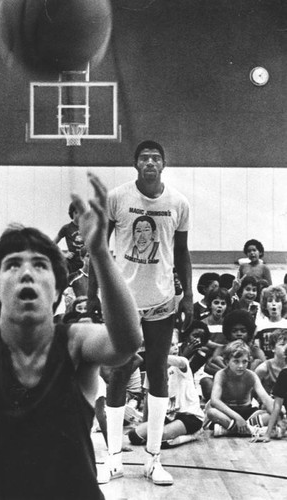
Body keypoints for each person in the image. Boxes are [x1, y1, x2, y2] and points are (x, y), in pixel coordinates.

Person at [0, 173, 142, 500]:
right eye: (13, 265)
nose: (27, 272)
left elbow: (127, 343)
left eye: (40, 265)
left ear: (58, 289)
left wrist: (100, 252)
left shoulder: (75, 343)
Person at [89, 140, 193, 486]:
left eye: (156, 158)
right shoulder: (117, 198)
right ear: (136, 164)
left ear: (164, 164)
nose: (150, 162)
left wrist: (188, 296)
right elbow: (98, 247)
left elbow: (182, 252)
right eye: (144, 158)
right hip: (122, 302)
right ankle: (113, 459)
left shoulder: (178, 203)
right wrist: (93, 290)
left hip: (162, 302)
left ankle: (153, 460)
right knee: (119, 375)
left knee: (159, 373)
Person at [128, 336, 203, 449]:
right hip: (168, 416)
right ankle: (170, 431)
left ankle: (193, 435)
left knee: (159, 439)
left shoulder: (183, 363)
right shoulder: (152, 370)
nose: (175, 348)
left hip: (190, 417)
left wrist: (156, 354)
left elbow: (177, 361)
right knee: (134, 436)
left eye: (176, 344)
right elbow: (147, 398)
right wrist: (145, 423)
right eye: (170, 345)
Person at [205, 340, 274, 437]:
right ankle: (251, 430)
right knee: (212, 412)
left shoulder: (251, 375)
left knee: (273, 413)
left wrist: (277, 413)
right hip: (228, 413)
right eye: (236, 361)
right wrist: (237, 418)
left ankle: (231, 430)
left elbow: (265, 398)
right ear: (227, 361)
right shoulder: (221, 375)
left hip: (247, 411)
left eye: (244, 361)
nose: (241, 366)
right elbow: (214, 401)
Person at [54, 201, 87, 283]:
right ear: (73, 213)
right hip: (71, 263)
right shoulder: (66, 228)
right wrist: (63, 254)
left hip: (84, 263)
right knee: (62, 280)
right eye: (79, 212)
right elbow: (52, 244)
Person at [254, 285, 287, 359]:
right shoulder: (260, 326)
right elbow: (257, 348)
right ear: (265, 306)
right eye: (270, 301)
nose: (273, 304)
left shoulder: (286, 325)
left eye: (278, 301)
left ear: (283, 305)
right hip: (265, 361)